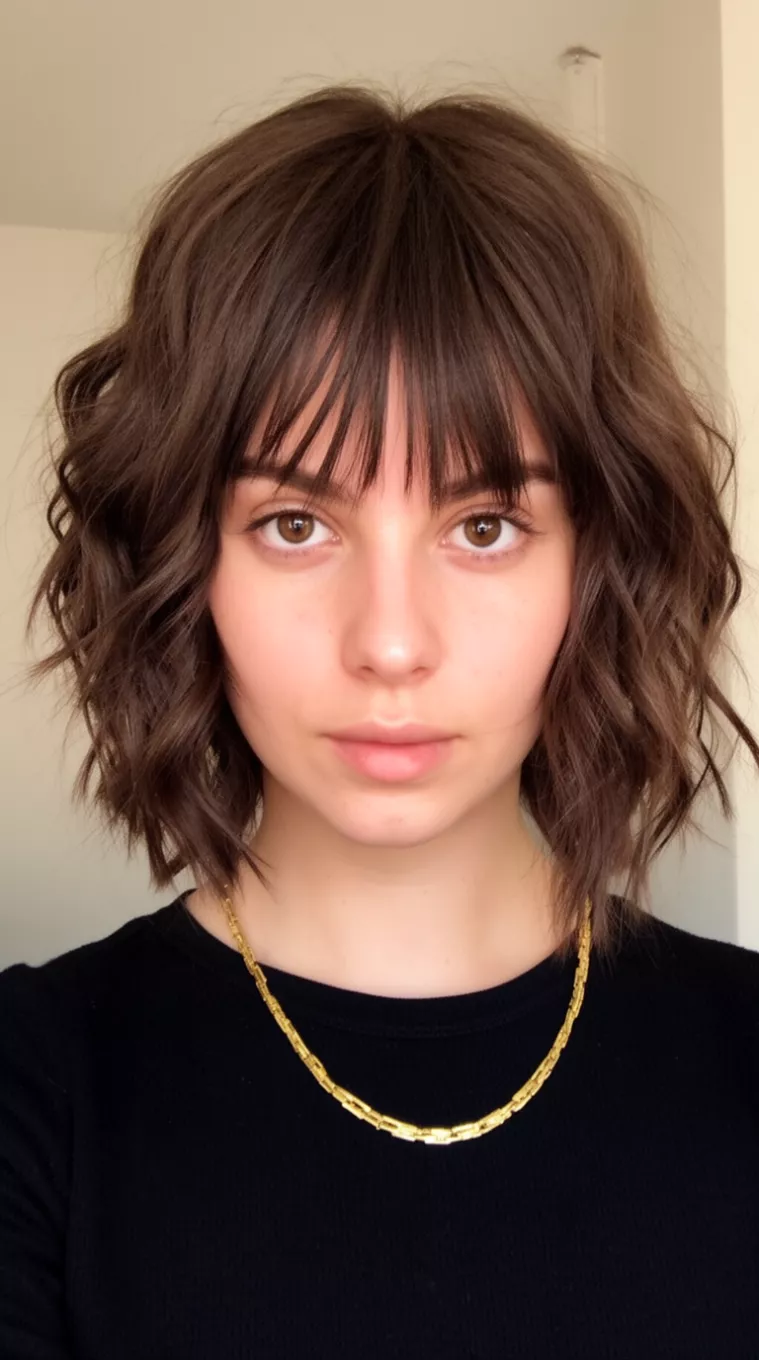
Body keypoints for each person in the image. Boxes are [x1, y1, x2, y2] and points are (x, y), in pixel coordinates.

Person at [2, 80, 758, 1360]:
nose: (391, 641)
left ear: (599, 564)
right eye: (295, 524)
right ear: (187, 565)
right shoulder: (34, 1088)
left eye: (484, 525)